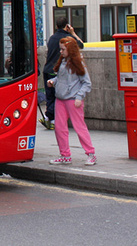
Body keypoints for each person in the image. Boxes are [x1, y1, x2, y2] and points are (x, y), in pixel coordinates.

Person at [48, 36, 97, 166]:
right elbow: (61, 78)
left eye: (63, 49)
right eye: (60, 49)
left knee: (79, 127)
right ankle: (65, 155)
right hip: (61, 99)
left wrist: (79, 97)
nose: (61, 52)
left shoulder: (77, 64)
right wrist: (53, 81)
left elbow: (87, 83)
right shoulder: (64, 62)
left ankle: (91, 153)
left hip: (72, 100)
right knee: (59, 128)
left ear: (70, 49)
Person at [41, 16, 83, 130]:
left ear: (56, 26)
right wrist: (73, 33)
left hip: (47, 69)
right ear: (67, 26)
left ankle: (48, 116)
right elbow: (81, 45)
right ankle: (51, 117)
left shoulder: (52, 38)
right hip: (57, 70)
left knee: (49, 95)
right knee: (58, 95)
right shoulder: (68, 38)